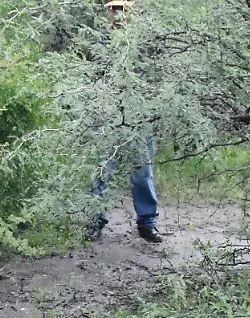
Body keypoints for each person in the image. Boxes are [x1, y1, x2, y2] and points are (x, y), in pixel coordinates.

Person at [87, 0, 162, 244]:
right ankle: (94, 221)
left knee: (142, 173)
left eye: (123, 9)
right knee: (102, 171)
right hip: (108, 115)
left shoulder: (146, 42)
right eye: (114, 9)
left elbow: (156, 78)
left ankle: (147, 223)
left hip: (140, 116)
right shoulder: (101, 40)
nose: (118, 14)